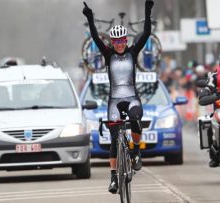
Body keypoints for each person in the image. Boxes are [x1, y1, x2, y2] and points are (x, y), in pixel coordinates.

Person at [82, 0, 154, 194]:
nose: (120, 44)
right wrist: (90, 19)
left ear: (126, 41)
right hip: (114, 101)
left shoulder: (133, 52)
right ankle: (114, 178)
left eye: (123, 40)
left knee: (135, 119)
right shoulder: (108, 55)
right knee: (114, 140)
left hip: (132, 98)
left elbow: (146, 33)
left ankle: (136, 151)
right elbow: (96, 38)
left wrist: (148, 11)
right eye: (116, 42)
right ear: (112, 43)